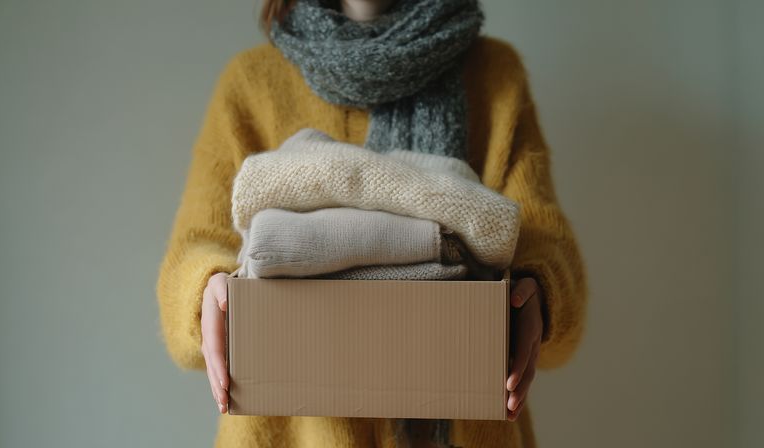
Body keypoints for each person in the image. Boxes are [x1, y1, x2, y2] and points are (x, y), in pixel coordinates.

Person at [155, 0, 588, 446]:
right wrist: (209, 289)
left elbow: (545, 247)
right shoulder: (251, 82)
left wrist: (537, 291)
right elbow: (195, 251)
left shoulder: (494, 74)